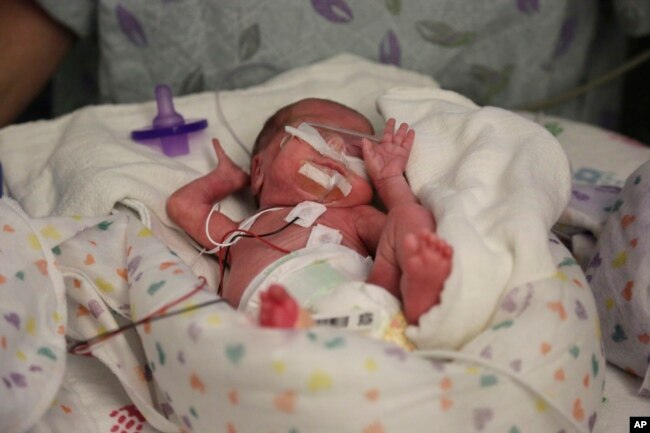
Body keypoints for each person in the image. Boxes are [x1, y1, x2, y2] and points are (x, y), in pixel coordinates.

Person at [166, 98, 452, 343]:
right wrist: (226, 179)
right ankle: (296, 330)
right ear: (259, 171)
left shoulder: (354, 216)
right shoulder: (244, 233)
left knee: (408, 216)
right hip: (265, 331)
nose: (337, 146)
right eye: (316, 133)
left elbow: (403, 231)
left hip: (367, 309)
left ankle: (418, 294)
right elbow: (183, 206)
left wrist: (390, 181)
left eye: (356, 153)